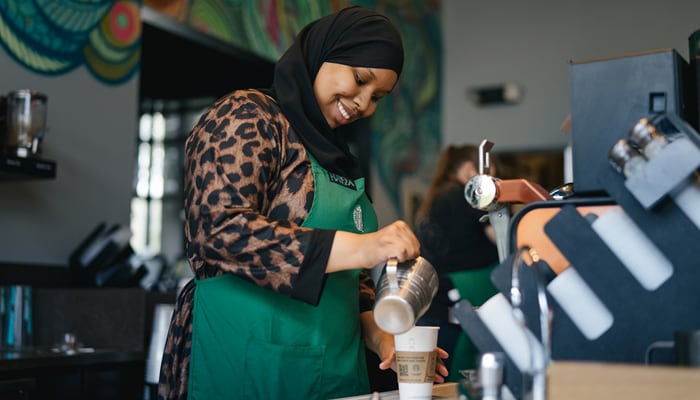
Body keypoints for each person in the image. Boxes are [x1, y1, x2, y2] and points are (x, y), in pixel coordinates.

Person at [157, 6, 448, 400]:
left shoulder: (336, 155)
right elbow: (218, 231)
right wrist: (365, 246)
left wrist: (381, 336)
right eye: (360, 80)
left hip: (334, 369)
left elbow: (348, 281)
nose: (364, 103)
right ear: (324, 52)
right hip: (247, 362)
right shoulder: (247, 116)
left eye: (377, 96)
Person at [413, 144, 500, 376]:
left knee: (433, 381)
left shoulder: (434, 198)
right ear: (473, 170)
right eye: (491, 175)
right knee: (458, 378)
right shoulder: (467, 196)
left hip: (433, 302)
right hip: (460, 303)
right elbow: (499, 237)